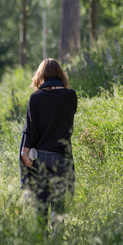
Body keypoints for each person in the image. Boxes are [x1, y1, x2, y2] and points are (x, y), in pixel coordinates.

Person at [20, 58, 77, 235]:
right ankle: (58, 241)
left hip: (40, 158)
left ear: (41, 75)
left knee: (41, 203)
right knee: (59, 203)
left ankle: (42, 243)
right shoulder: (70, 96)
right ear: (60, 75)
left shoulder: (35, 98)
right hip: (61, 157)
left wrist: (24, 153)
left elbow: (29, 128)